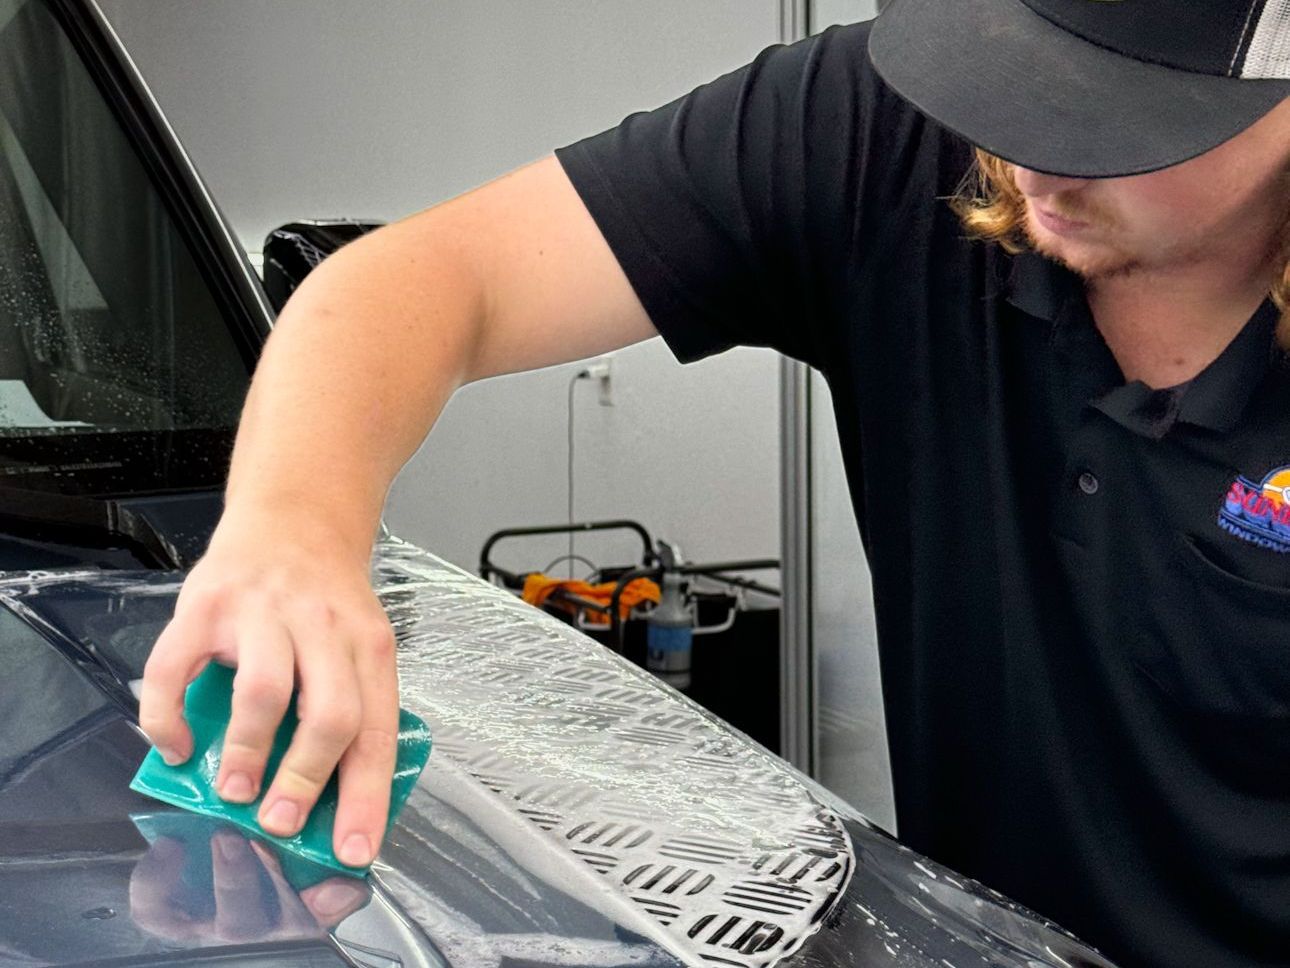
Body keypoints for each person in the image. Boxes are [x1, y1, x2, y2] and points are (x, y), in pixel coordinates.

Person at [138, 0, 1290, 964]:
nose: (1027, 158)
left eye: (1100, 115)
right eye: (1000, 79)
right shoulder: (881, 136)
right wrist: (291, 535)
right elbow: (424, 281)